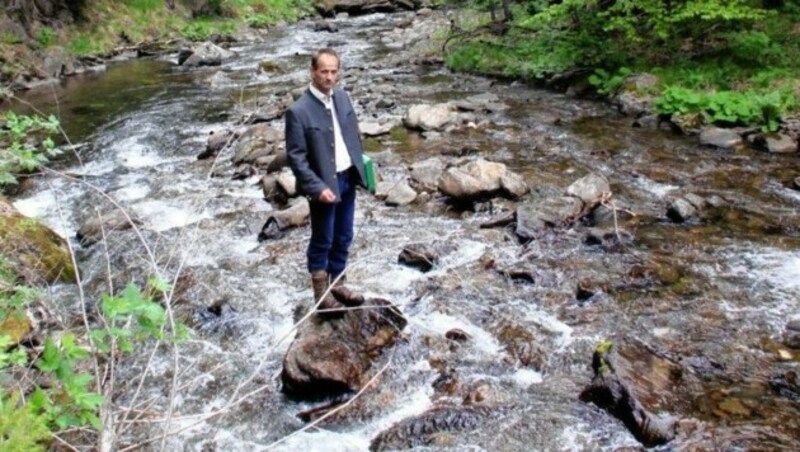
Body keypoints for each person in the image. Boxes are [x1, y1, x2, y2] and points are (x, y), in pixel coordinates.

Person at [285, 48, 367, 315]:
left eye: (334, 71)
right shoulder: (298, 111)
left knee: (344, 235)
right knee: (323, 239)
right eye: (324, 71)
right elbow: (296, 158)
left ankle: (338, 284)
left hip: (347, 177)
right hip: (323, 185)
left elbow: (353, 133)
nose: (329, 77)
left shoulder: (342, 97)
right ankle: (321, 297)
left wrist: (362, 167)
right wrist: (317, 188)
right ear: (313, 72)